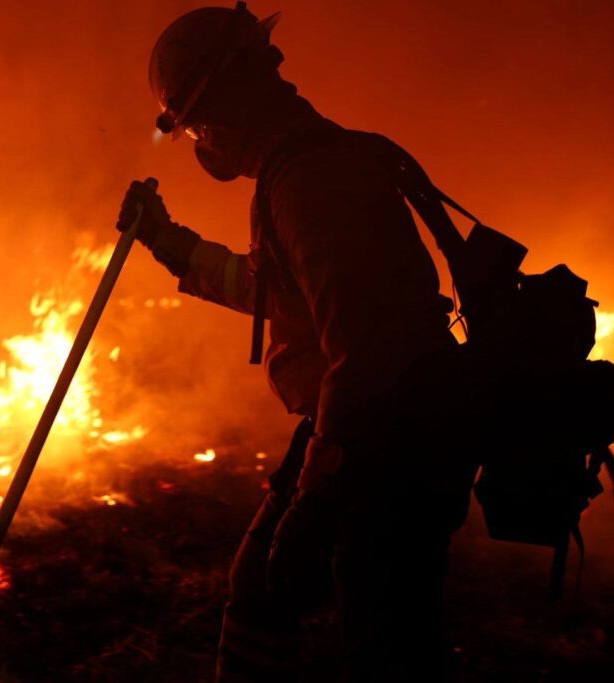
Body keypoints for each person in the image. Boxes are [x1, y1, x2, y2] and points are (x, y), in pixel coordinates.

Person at [116, 3, 476, 680]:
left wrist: (318, 491)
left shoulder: (313, 183)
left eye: (195, 120)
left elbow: (365, 352)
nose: (201, 140)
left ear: (224, 99)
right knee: (262, 589)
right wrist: (170, 244)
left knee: (385, 640)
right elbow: (287, 300)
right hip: (372, 427)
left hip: (390, 438)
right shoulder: (299, 169)